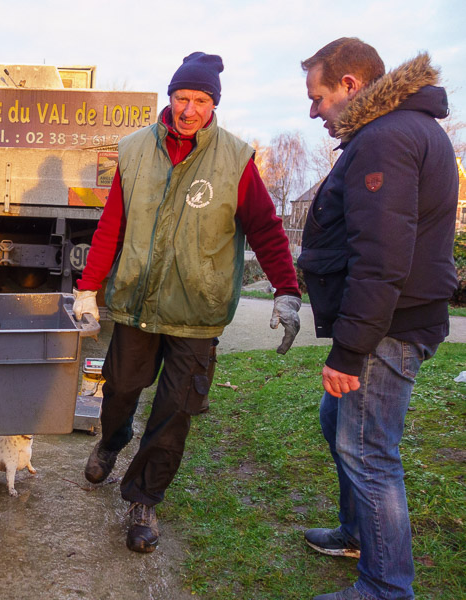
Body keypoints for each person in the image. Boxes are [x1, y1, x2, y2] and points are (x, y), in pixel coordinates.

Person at [72, 52, 301, 553]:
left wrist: (286, 289)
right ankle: (111, 442)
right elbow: (112, 226)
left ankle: (143, 498)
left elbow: (265, 228)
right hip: (136, 304)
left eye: (200, 100)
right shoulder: (134, 151)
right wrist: (88, 286)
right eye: (182, 98)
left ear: (213, 104)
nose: (189, 109)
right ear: (170, 98)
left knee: (176, 410)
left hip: (198, 312)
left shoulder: (236, 159)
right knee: (120, 390)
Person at [298, 38, 458, 600]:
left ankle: (386, 587)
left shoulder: (386, 138)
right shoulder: (403, 129)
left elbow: (383, 257)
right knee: (335, 422)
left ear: (349, 86)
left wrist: (348, 351)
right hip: (393, 318)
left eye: (317, 97)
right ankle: (358, 534)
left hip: (388, 327)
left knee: (368, 451)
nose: (313, 111)